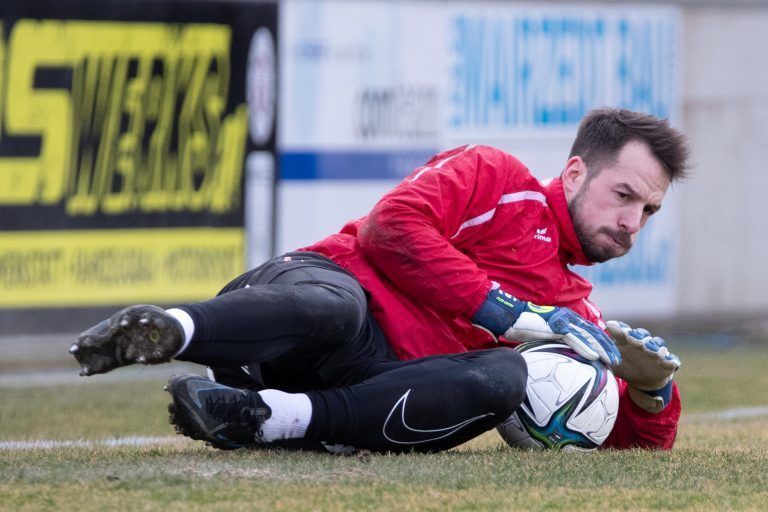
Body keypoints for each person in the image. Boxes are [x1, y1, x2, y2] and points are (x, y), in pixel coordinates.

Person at [70, 108, 687, 453]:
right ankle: (169, 330)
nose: (632, 223)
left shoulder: (576, 310)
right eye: (624, 195)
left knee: (504, 378)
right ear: (576, 172)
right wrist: (509, 313)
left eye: (649, 211)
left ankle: (262, 419)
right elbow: (390, 227)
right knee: (334, 308)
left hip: (364, 382)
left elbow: (631, 444)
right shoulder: (497, 177)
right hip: (321, 298)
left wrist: (649, 391)